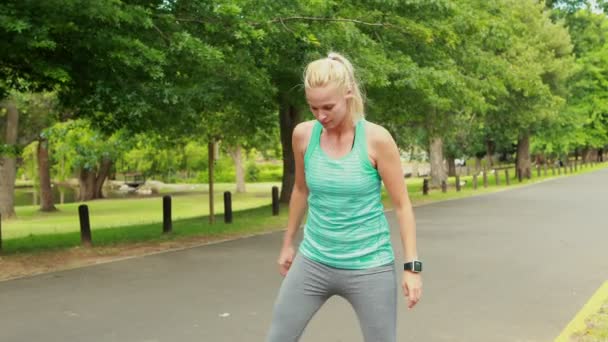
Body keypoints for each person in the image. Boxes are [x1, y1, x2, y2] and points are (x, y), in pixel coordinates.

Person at [266, 52, 422, 342]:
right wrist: (288, 244)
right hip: (313, 260)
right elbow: (300, 190)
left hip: (369, 267)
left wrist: (412, 267)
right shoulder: (303, 135)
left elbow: (402, 205)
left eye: (328, 106)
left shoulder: (376, 139)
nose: (321, 115)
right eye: (313, 108)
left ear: (348, 93)